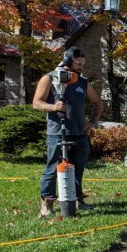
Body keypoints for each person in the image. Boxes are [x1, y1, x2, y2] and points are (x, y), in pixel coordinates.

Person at [32, 46, 104, 217]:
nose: (81, 67)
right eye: (78, 63)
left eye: (83, 64)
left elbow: (98, 102)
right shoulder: (49, 78)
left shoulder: (82, 81)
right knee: (52, 169)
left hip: (80, 134)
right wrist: (52, 106)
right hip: (57, 133)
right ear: (67, 61)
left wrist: (92, 122)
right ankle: (47, 204)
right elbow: (36, 103)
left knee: (78, 169)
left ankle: (78, 200)